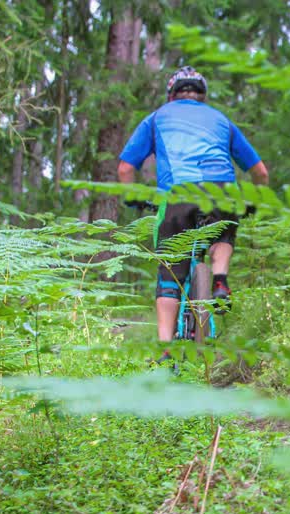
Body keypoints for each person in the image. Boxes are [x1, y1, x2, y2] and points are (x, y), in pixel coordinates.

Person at [116, 66, 269, 344]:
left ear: (171, 94)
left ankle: (164, 350)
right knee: (223, 233)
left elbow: (126, 168)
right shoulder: (222, 120)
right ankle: (220, 278)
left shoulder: (156, 118)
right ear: (203, 95)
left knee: (169, 276)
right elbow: (261, 173)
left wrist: (132, 197)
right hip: (222, 191)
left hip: (177, 194)